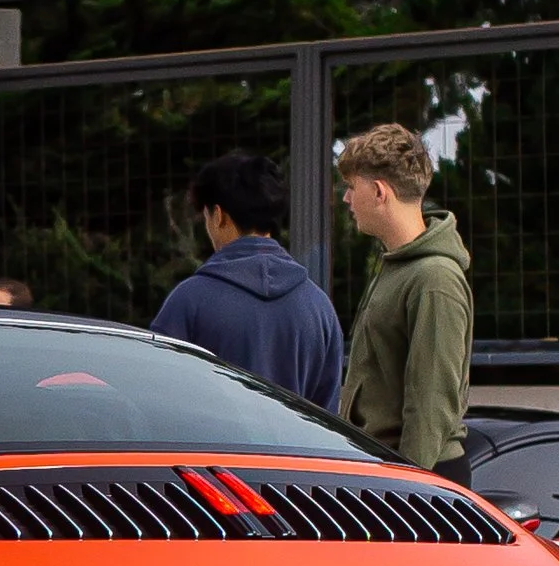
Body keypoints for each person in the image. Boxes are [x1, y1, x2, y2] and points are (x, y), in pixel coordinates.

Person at [150, 151, 345, 409]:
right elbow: (327, 416)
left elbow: (158, 395)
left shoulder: (189, 301)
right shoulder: (319, 307)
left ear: (218, 215)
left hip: (213, 449)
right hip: (294, 449)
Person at [335, 123, 473, 475]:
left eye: (352, 187)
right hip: (388, 469)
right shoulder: (396, 266)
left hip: (419, 478)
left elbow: (431, 402)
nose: (347, 199)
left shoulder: (434, 278)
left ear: (380, 192)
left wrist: (410, 491)